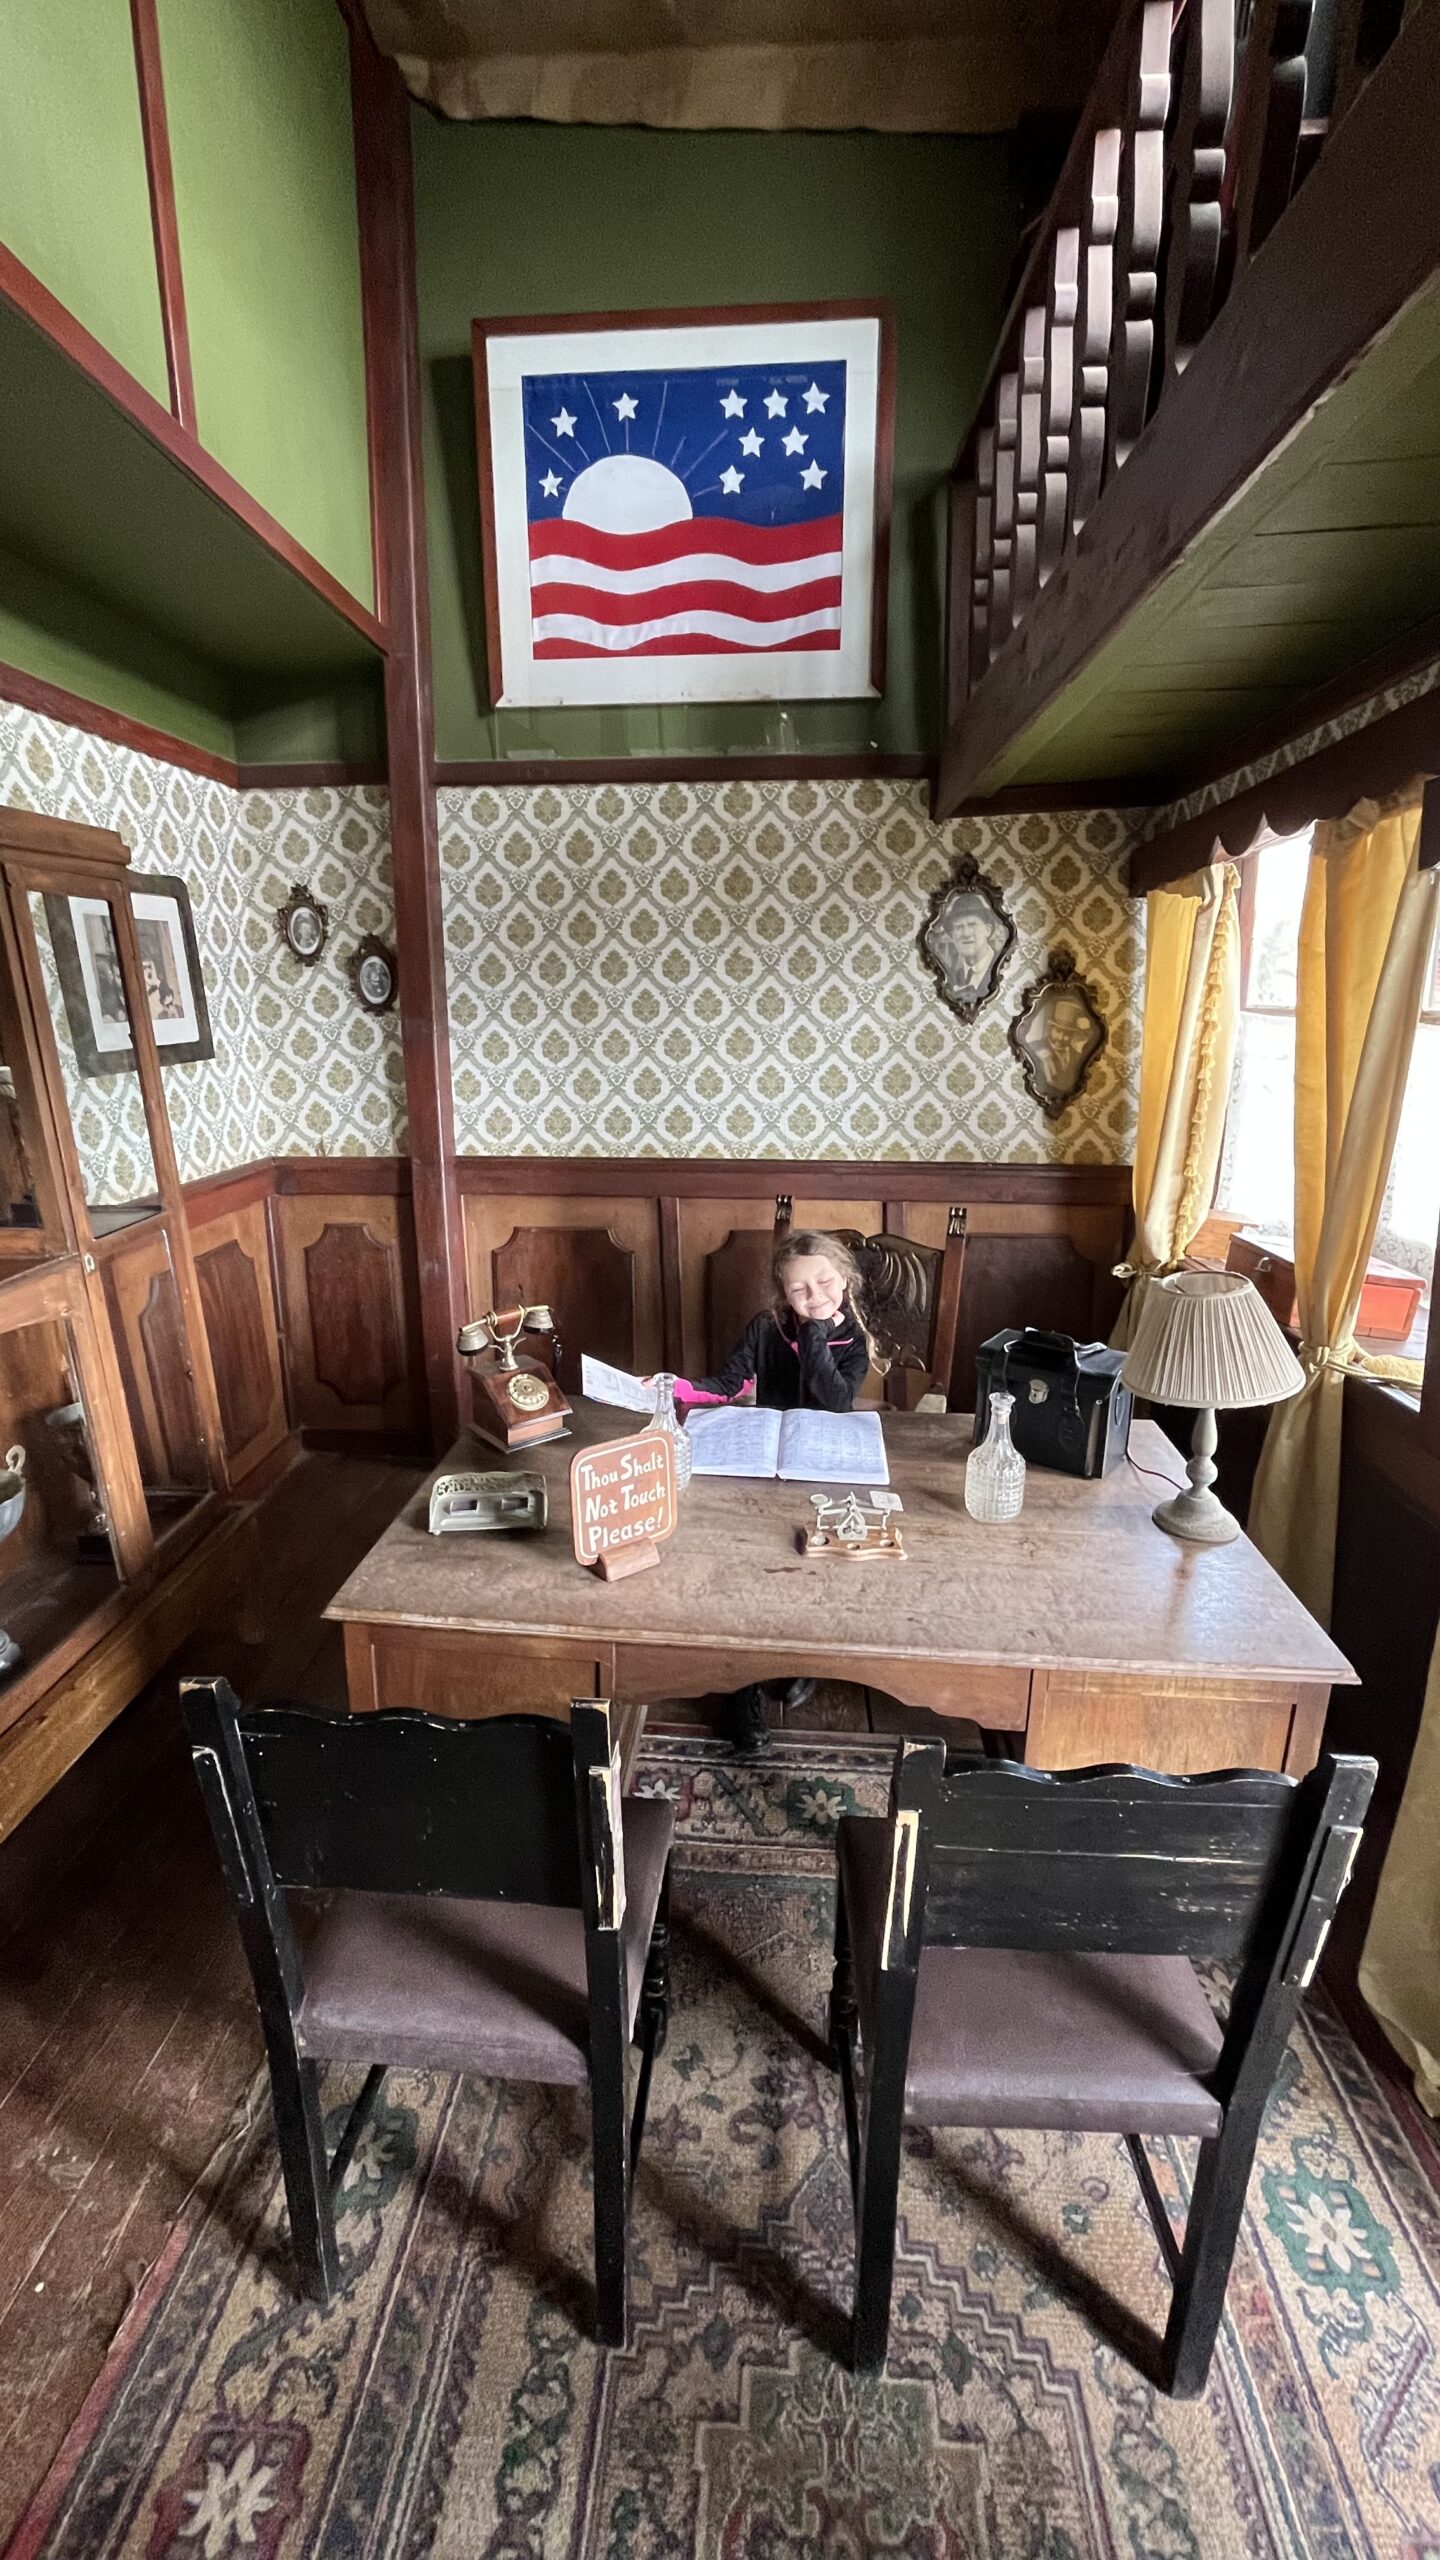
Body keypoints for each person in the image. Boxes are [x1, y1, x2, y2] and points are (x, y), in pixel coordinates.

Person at [684, 1230, 874, 1752]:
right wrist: (675, 1389)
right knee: (748, 1559)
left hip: (823, 1467)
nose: (815, 1296)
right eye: (799, 1291)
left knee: (815, 1561)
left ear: (845, 1280)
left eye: (825, 1282)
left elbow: (835, 1401)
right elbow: (728, 1384)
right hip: (767, 1462)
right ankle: (743, 1687)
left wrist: (814, 1333)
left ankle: (800, 1657)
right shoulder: (765, 1327)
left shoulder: (853, 1339)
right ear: (782, 1294)